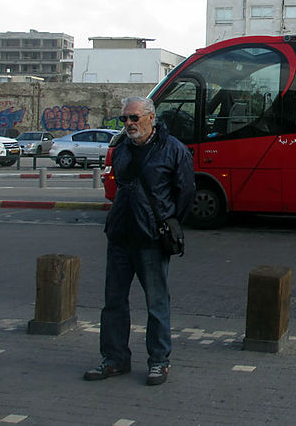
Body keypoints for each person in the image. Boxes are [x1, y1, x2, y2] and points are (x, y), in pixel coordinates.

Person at [84, 96, 195, 386]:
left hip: (152, 239)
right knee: (113, 302)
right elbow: (120, 186)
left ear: (150, 118)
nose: (129, 124)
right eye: (125, 119)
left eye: (134, 118)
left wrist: (167, 222)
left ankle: (159, 361)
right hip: (120, 235)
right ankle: (114, 358)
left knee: (156, 304)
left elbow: (184, 193)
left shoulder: (174, 150)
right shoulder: (121, 149)